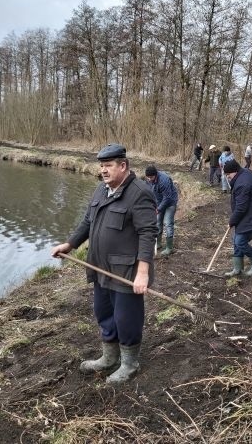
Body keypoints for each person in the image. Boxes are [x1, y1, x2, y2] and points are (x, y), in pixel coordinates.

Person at [51, 144, 157, 385]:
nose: (103, 171)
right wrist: (70, 244)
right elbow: (88, 220)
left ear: (123, 166)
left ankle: (130, 364)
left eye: (108, 166)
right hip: (99, 266)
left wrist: (142, 273)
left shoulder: (140, 193)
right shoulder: (101, 189)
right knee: (104, 312)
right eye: (101, 166)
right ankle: (109, 358)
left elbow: (148, 234)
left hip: (126, 272)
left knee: (126, 317)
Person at [222, 159, 252, 277]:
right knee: (236, 239)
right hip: (248, 213)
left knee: (240, 241)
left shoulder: (243, 183)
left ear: (235, 171)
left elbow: (241, 208)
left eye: (228, 174)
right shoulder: (245, 172)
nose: (228, 177)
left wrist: (232, 221)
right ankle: (237, 268)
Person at [145, 165, 178, 256]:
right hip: (158, 202)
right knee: (158, 223)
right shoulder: (149, 179)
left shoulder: (164, 180)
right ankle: (158, 244)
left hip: (170, 203)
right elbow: (149, 192)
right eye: (148, 177)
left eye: (151, 177)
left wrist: (158, 209)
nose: (149, 179)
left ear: (155, 175)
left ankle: (169, 248)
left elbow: (167, 197)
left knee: (168, 223)